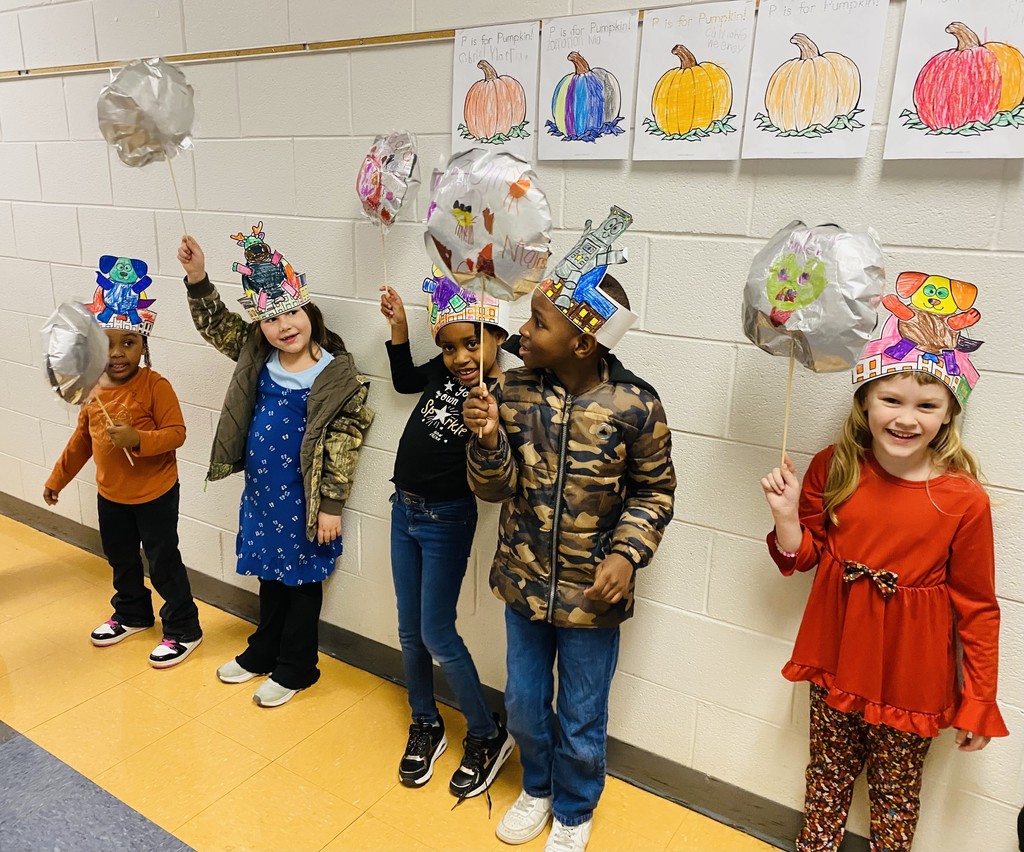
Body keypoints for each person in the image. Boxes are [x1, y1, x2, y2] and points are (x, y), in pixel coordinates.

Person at [759, 287, 1008, 851]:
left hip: (911, 677)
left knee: (896, 796)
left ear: (948, 416)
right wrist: (785, 517)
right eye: (891, 401)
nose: (905, 418)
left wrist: (978, 699)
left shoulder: (965, 501)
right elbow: (802, 559)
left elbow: (977, 608)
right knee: (825, 778)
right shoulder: (834, 467)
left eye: (926, 406)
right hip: (836, 658)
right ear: (865, 402)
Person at [464, 262, 676, 852]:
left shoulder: (636, 405)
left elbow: (656, 491)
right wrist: (484, 442)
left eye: (537, 322)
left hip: (592, 600)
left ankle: (575, 809)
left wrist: (629, 554)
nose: (519, 333)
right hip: (523, 585)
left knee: (582, 718)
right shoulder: (508, 390)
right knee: (526, 706)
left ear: (582, 342)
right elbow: (492, 489)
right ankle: (536, 787)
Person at [177, 230, 373, 707]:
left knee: (301, 583)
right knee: (269, 575)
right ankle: (263, 650)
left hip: (304, 500)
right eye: (269, 318)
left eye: (291, 312)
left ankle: (297, 666)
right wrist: (198, 278)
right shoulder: (257, 354)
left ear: (309, 312)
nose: (284, 326)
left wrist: (330, 506)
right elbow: (216, 324)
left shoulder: (336, 373)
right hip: (263, 496)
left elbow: (344, 445)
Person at [380, 268, 514, 800]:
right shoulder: (441, 372)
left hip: (446, 519)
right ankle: (425, 722)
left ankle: (485, 733)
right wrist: (399, 331)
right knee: (409, 631)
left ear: (498, 337)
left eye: (471, 343)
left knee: (437, 631)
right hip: (403, 509)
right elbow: (403, 381)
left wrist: (492, 421)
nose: (460, 357)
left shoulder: (503, 391)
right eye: (450, 347)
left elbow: (498, 467)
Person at [44, 265, 202, 668]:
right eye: (108, 344)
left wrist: (139, 440)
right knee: (121, 559)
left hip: (155, 494)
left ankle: (184, 627)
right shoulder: (93, 389)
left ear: (142, 346)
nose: (117, 353)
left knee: (163, 562)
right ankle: (132, 613)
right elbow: (82, 440)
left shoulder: (156, 386)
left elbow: (177, 433)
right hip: (111, 495)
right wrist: (57, 479)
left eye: (128, 343)